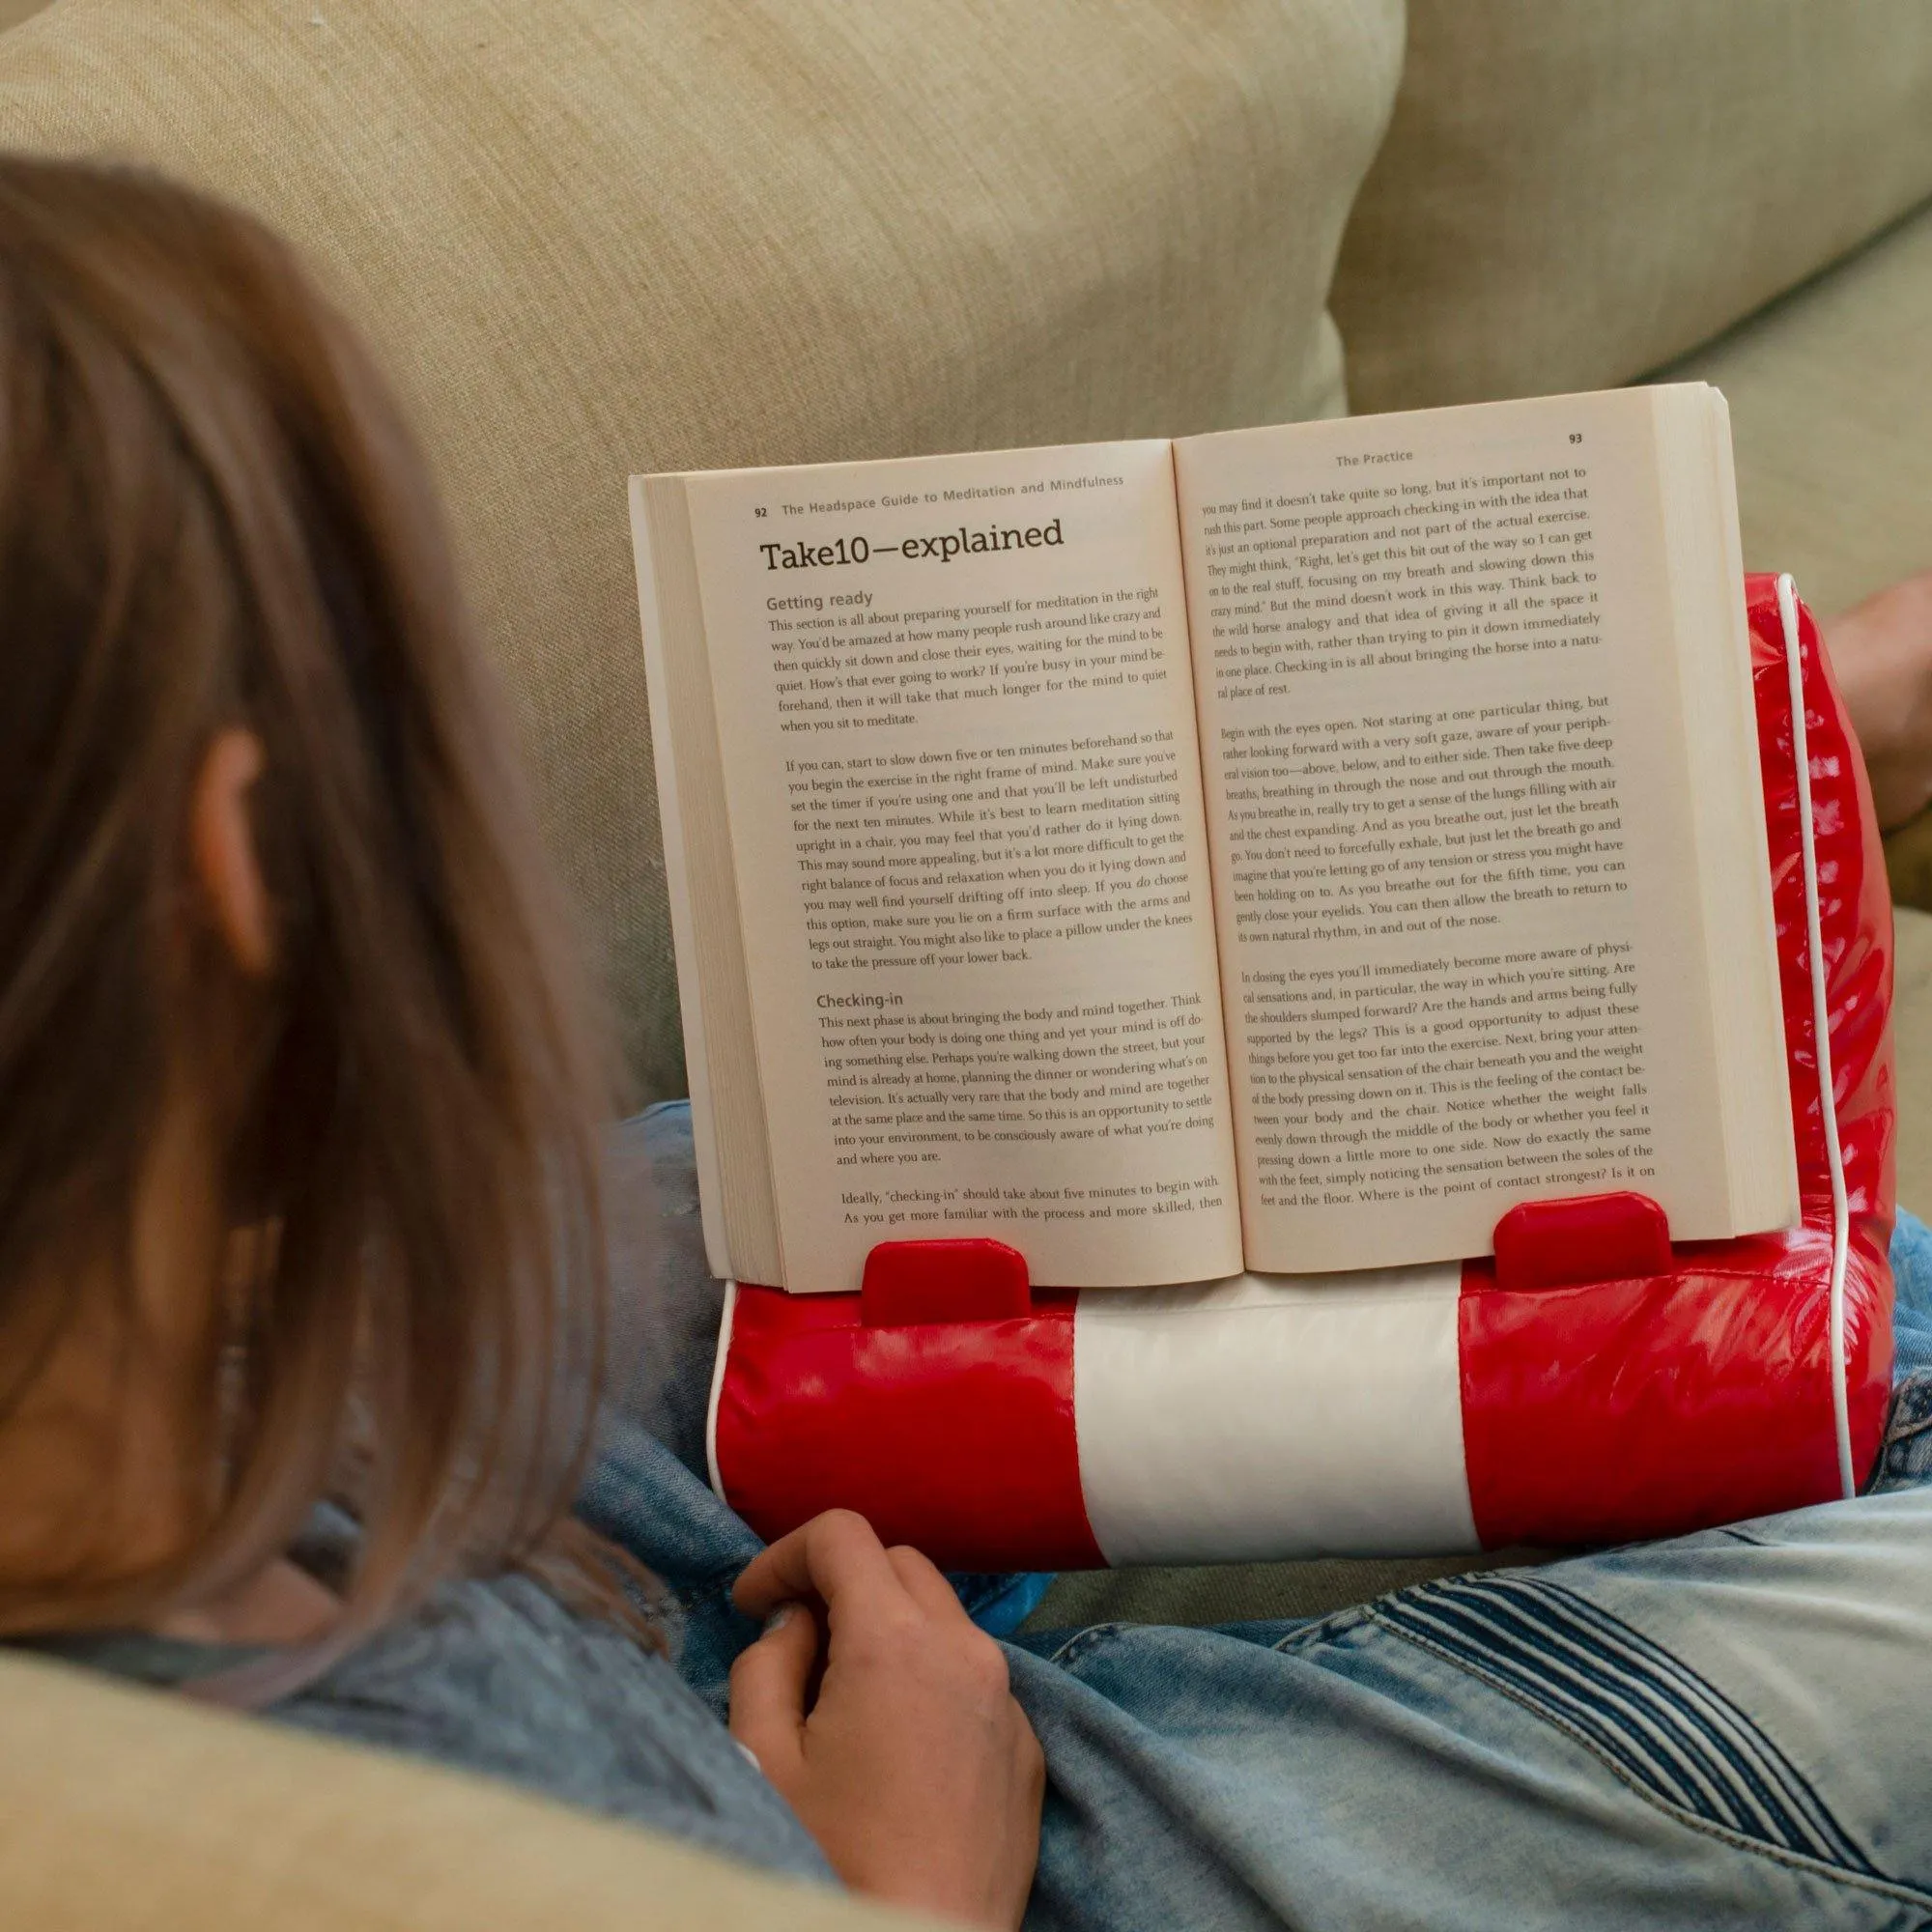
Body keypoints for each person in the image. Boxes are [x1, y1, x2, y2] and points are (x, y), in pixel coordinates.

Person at [2, 154, 1930, 1931]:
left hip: (263, 1409)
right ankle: (1709, 777)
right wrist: (903, 1893)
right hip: (897, 1847)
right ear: (241, 863)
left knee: (812, 1167)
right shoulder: (396, 1828)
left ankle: (1709, 752)